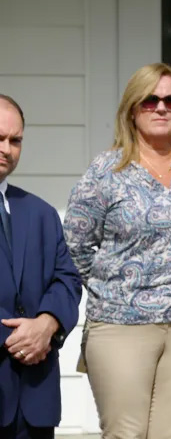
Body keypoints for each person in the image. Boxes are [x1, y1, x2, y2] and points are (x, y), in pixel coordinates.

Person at [63, 63, 171, 439]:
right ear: (132, 109)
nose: (160, 107)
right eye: (149, 100)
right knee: (125, 433)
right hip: (120, 323)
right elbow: (76, 243)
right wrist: (116, 286)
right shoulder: (105, 170)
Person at [0, 94, 82, 438]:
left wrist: (48, 324)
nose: (6, 149)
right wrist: (18, 338)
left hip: (34, 400)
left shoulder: (42, 214)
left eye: (15, 140)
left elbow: (68, 280)